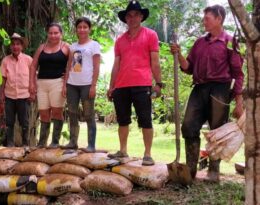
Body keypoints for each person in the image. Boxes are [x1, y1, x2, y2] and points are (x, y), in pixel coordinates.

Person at [170, 5, 244, 182]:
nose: (204, 21)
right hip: (199, 88)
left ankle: (213, 171)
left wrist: (239, 101)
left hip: (220, 88)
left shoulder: (229, 41)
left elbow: (238, 73)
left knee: (216, 132)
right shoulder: (199, 42)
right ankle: (190, 170)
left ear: (219, 18)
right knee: (188, 126)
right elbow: (188, 67)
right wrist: (179, 54)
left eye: (207, 18)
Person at [106, 1, 162, 166]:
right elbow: (116, 64)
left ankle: (147, 154)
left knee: (145, 120)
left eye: (136, 15)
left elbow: (155, 62)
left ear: (141, 16)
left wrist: (158, 84)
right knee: (123, 120)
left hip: (142, 84)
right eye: (129, 15)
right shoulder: (120, 40)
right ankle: (123, 151)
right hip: (121, 86)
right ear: (126, 19)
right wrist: (111, 86)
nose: (132, 18)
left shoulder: (150, 35)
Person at [61, 17, 101, 152]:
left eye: (85, 27)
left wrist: (93, 85)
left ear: (89, 29)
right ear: (76, 30)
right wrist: (65, 84)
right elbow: (69, 66)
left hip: (87, 85)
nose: (82, 29)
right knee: (72, 113)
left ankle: (91, 145)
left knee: (89, 114)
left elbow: (96, 67)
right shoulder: (73, 47)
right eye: (80, 27)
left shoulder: (94, 45)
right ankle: (73, 142)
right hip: (72, 84)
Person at [29, 23, 69, 148]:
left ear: (61, 34)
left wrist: (66, 82)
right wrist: (32, 83)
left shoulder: (66, 47)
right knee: (43, 113)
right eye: (51, 33)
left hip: (58, 82)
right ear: (48, 34)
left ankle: (55, 142)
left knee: (57, 112)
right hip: (41, 83)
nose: (53, 35)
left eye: (56, 33)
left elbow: (73, 65)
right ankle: (41, 143)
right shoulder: (42, 47)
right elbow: (33, 66)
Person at [0, 33, 33, 147]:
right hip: (9, 96)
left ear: (22, 46)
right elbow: (2, 79)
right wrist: (1, 95)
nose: (15, 46)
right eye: (13, 44)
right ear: (10, 47)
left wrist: (33, 93)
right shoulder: (5, 61)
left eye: (18, 44)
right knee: (9, 122)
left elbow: (33, 78)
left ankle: (25, 144)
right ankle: (10, 143)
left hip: (24, 96)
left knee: (25, 122)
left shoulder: (28, 60)